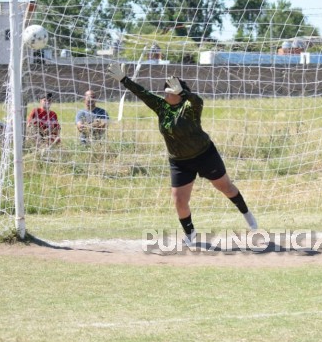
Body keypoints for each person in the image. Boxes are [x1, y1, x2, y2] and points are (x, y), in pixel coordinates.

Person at [106, 63, 258, 240]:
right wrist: (125, 80)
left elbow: (198, 100)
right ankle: (190, 234)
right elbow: (143, 93)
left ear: (179, 92)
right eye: (166, 88)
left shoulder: (189, 107)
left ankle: (248, 216)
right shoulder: (161, 107)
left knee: (225, 187)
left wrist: (184, 93)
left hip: (204, 154)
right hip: (179, 161)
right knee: (179, 200)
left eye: (171, 88)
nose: (166, 91)